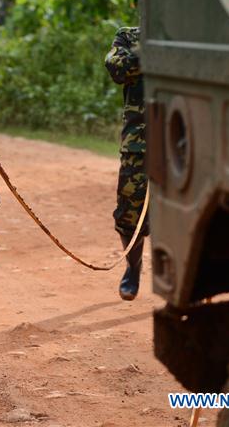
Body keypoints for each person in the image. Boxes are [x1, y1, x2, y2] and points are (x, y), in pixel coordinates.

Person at [105, 26, 148, 301]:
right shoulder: (129, 37)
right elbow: (116, 68)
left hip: (188, 142)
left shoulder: (193, 34)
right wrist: (153, 48)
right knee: (129, 214)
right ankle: (134, 267)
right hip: (139, 144)